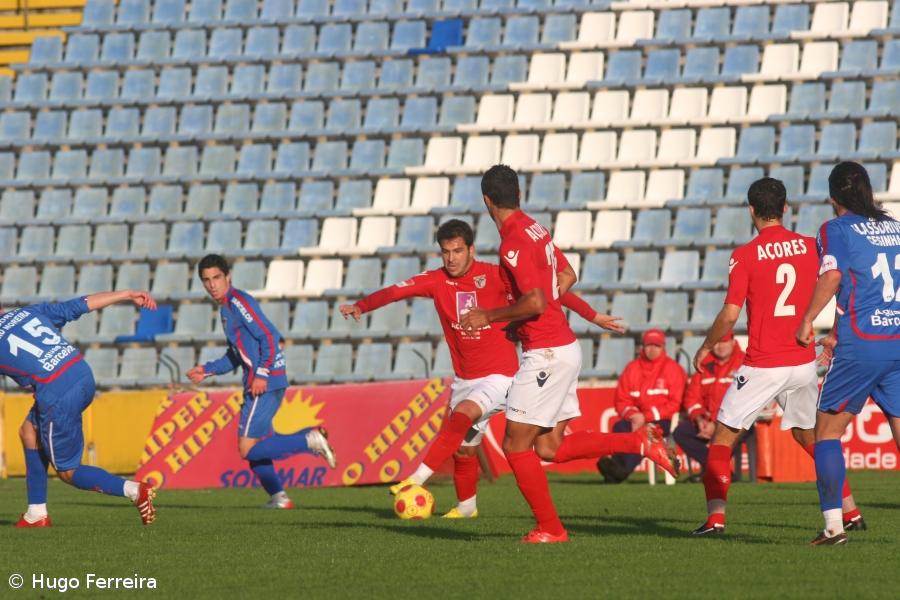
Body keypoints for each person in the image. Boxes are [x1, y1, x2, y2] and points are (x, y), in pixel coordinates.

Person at [340, 219, 626, 518]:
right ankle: (467, 508)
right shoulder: (436, 281)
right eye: (446, 251)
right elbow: (396, 292)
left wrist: (592, 315)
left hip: (501, 376)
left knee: (463, 414)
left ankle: (414, 480)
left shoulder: (495, 275)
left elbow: (551, 292)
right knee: (465, 449)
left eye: (458, 250)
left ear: (471, 249)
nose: (451, 258)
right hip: (465, 378)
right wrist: (362, 306)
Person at [460, 165, 677, 543]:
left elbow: (536, 298)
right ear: (519, 196)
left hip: (546, 354)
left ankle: (551, 528)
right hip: (560, 346)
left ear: (486, 201)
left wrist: (491, 316)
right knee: (549, 447)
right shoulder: (535, 229)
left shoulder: (512, 242)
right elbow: (567, 275)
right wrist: (526, 319)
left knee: (516, 445)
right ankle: (638, 442)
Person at [691, 177, 862, 536]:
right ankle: (849, 510)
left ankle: (715, 519)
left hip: (763, 364)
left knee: (722, 438)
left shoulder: (744, 255)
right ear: (786, 208)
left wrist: (707, 345)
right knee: (810, 437)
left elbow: (729, 314)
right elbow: (839, 284)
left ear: (751, 211)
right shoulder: (810, 247)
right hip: (802, 362)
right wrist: (834, 333)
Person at [796, 162, 898, 545]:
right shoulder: (895, 227)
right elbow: (866, 285)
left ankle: (834, 527)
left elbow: (835, 276)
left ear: (833, 195)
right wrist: (836, 332)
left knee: (825, 433)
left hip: (863, 344)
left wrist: (807, 319)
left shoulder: (835, 228)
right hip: (896, 340)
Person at [187, 254, 336, 509]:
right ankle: (279, 497)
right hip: (263, 380)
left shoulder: (237, 301)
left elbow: (269, 335)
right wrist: (207, 370)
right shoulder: (226, 309)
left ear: (228, 277)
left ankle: (309, 440)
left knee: (247, 449)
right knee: (260, 446)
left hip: (265, 382)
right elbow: (237, 354)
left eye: (217, 278)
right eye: (206, 280)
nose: (212, 284)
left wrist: (262, 374)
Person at [10, 290, 158, 528]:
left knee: (68, 472)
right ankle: (36, 513)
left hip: (57, 393)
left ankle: (135, 490)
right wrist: (127, 294)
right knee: (29, 431)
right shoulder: (26, 313)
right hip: (82, 374)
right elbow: (79, 305)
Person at [599, 328, 687, 483]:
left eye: (656, 346)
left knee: (645, 433)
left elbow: (675, 404)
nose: (652, 349)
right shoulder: (632, 368)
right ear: (642, 347)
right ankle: (615, 470)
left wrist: (645, 417)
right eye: (648, 345)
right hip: (636, 419)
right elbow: (621, 400)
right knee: (619, 427)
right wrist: (633, 415)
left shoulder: (673, 369)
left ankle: (620, 471)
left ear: (663, 347)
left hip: (662, 420)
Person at [674, 332, 744, 471]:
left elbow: (742, 400)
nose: (720, 346)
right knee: (681, 432)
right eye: (716, 342)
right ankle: (716, 468)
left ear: (732, 341)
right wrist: (700, 420)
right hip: (707, 421)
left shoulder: (745, 363)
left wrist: (716, 423)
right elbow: (691, 398)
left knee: (729, 434)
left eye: (723, 341)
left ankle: (718, 470)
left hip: (736, 420)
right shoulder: (704, 365)